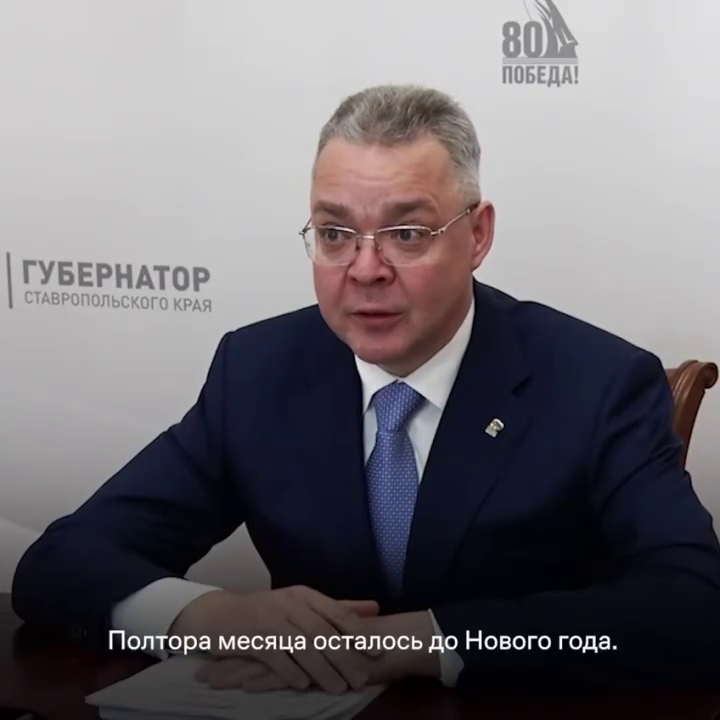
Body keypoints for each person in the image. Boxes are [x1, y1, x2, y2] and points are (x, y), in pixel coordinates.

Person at [12, 84, 720, 696]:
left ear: (477, 235)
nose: (365, 268)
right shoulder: (257, 371)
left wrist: (423, 643)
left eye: (407, 233)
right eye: (334, 233)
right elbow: (60, 565)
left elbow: (694, 609)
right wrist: (207, 616)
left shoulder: (597, 383)